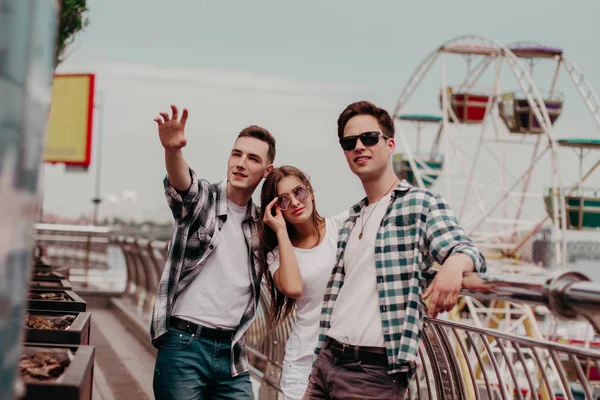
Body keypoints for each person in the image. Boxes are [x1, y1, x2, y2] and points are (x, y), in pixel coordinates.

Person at [304, 101, 487, 399]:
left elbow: (468, 250)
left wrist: (454, 266)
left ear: (390, 145)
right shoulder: (352, 218)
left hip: (374, 373)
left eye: (369, 138)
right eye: (350, 142)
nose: (360, 146)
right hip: (327, 360)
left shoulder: (421, 204)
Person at [150, 105, 276, 400]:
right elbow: (184, 185)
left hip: (232, 354)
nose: (241, 163)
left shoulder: (262, 225)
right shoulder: (205, 200)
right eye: (237, 154)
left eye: (252, 158)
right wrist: (173, 151)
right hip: (184, 345)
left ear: (266, 171)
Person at [258, 166, 348, 400]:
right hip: (303, 363)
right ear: (276, 209)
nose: (296, 203)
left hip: (349, 362)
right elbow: (294, 287)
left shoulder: (342, 227)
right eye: (284, 200)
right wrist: (280, 231)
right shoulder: (277, 254)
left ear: (311, 192)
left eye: (299, 192)